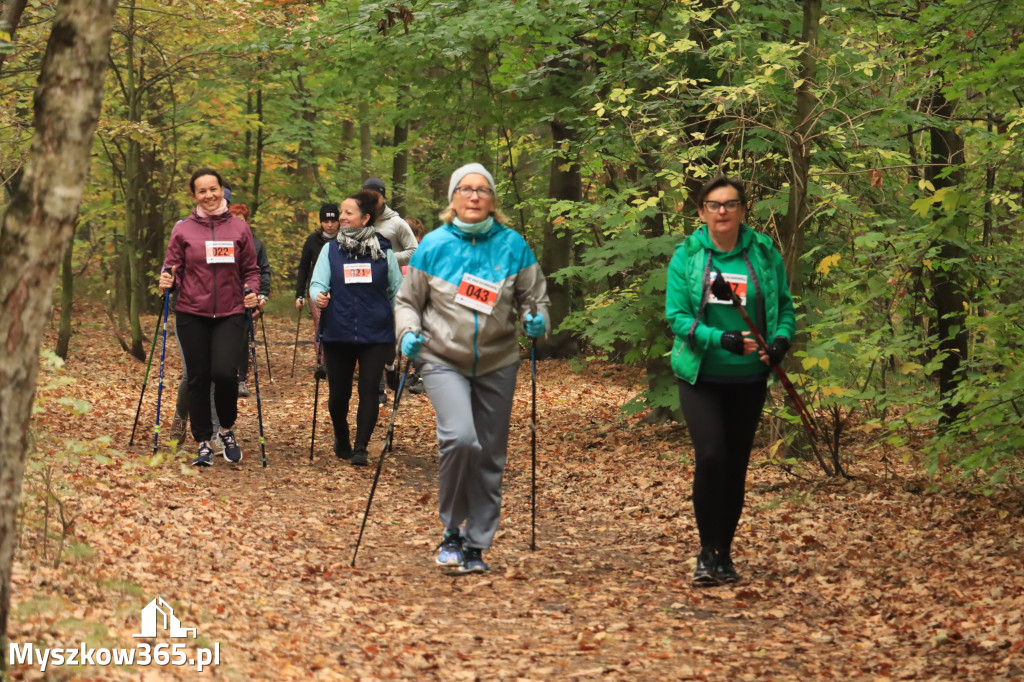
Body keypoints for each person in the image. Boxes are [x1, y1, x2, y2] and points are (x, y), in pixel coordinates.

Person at [395, 163, 549, 573]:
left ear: (493, 199)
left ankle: (476, 544)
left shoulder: (514, 245)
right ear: (453, 198)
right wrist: (407, 332)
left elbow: (536, 301)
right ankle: (451, 529)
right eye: (466, 189)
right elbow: (407, 302)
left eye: (482, 190)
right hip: (442, 358)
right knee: (462, 440)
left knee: (489, 455)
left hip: (498, 361)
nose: (475, 196)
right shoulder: (434, 245)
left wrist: (537, 321)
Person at [665, 175, 796, 585]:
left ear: (742, 210)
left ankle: (724, 554)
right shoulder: (686, 256)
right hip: (701, 374)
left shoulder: (762, 253)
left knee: (736, 467)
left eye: (731, 204)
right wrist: (717, 338)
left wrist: (779, 342)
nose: (723, 211)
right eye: (714, 204)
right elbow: (677, 317)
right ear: (701, 211)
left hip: (749, 378)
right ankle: (706, 553)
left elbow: (786, 309)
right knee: (711, 457)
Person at [159, 168, 260, 466]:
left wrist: (252, 290)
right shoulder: (183, 229)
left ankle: (226, 429)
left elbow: (251, 269)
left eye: (213, 189)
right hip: (192, 312)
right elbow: (171, 268)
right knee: (198, 377)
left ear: (221, 189)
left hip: (230, 312)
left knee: (225, 373)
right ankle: (203, 440)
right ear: (195, 196)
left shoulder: (240, 229)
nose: (209, 195)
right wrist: (168, 280)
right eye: (202, 191)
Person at [309, 190, 403, 466]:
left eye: (349, 212)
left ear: (365, 218)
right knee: (339, 395)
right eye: (342, 212)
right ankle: (342, 436)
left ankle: (361, 447)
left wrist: (403, 315)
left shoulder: (384, 251)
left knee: (369, 389)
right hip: (338, 330)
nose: (342, 217)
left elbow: (398, 290)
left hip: (377, 331)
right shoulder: (331, 250)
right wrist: (318, 297)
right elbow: (317, 284)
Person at [228, 201, 271, 397]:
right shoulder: (222, 242)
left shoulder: (256, 245)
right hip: (225, 299)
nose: (238, 223)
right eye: (234, 219)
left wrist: (262, 295)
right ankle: (226, 376)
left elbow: (263, 271)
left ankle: (242, 379)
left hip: (247, 298)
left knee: (243, 340)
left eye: (242, 219)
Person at [295, 203, 340, 361]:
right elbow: (304, 268)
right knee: (320, 323)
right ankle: (323, 360)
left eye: (333, 221)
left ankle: (339, 358)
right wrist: (299, 294)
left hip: (339, 289)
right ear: (321, 222)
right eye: (326, 221)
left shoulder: (345, 240)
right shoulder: (312, 240)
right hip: (317, 290)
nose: (329, 225)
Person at [361, 177, 419, 267]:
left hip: (390, 278)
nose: (371, 200)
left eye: (376, 196)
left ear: (384, 198)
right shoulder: (357, 221)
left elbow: (415, 252)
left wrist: (387, 258)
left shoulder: (397, 223)